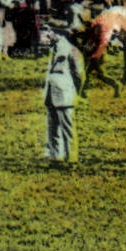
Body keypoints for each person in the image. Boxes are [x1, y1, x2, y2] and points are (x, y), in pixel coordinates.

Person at [42, 14, 84, 165]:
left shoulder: (71, 50)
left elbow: (79, 74)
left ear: (59, 33)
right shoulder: (53, 50)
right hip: (51, 93)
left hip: (65, 93)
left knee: (67, 127)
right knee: (52, 127)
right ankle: (56, 156)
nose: (48, 34)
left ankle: (71, 157)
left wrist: (76, 92)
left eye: (50, 31)